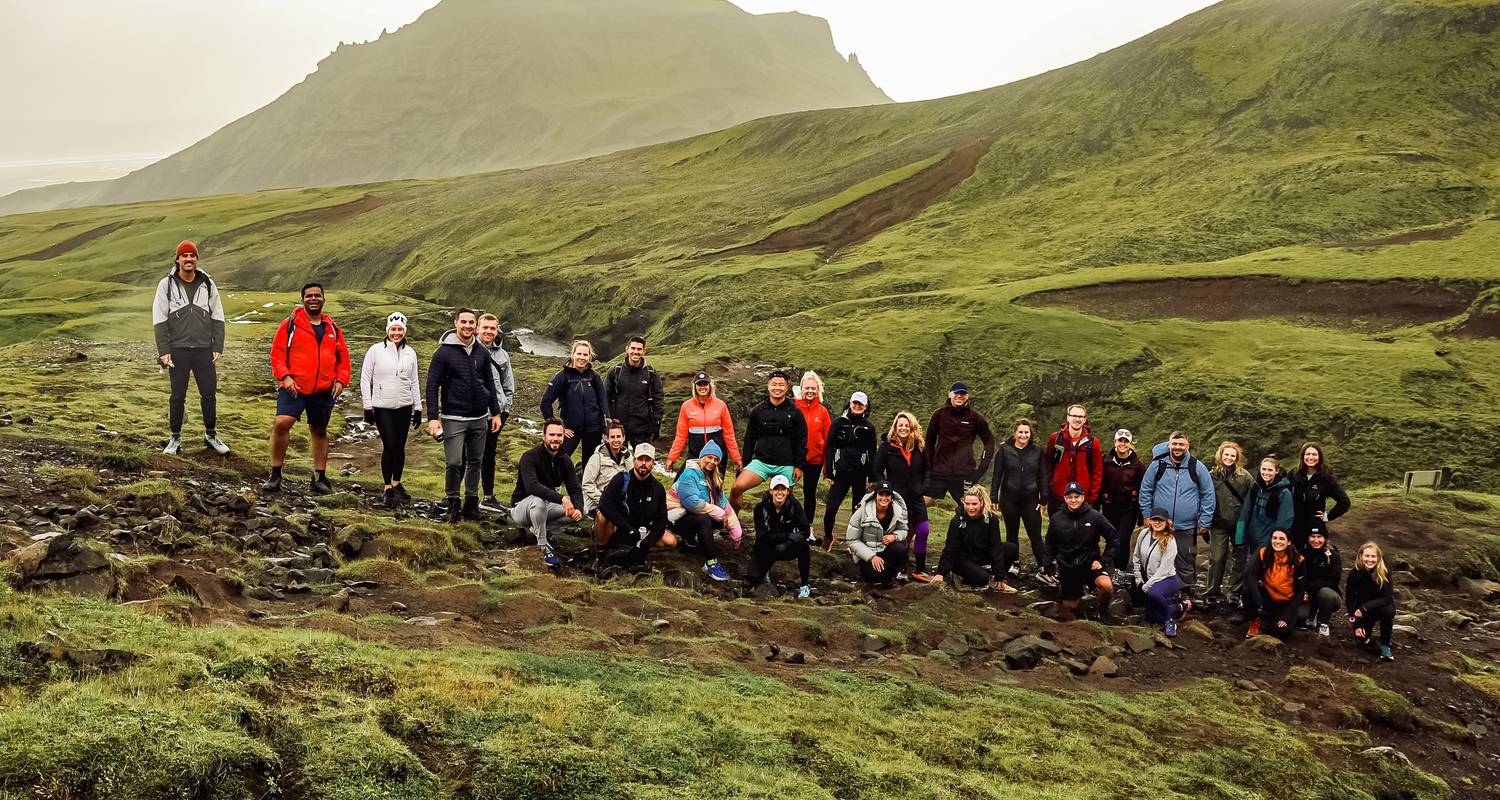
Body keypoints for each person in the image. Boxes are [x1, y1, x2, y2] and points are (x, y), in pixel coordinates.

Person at [266, 283, 351, 495]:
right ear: (302, 299)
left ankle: (319, 478)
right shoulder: (290, 325)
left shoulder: (333, 328)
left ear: (323, 298)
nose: (313, 299)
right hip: (294, 386)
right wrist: (285, 377)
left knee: (319, 429)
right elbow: (277, 354)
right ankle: (275, 474)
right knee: (282, 422)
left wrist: (341, 380)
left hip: (323, 389)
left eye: (317, 295)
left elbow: (343, 358)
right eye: (308, 296)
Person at [425, 308, 503, 522]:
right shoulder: (443, 353)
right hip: (453, 418)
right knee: (454, 461)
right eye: (464, 322)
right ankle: (452, 502)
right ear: (456, 323)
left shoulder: (482, 352)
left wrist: (495, 413)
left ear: (475, 326)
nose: (467, 326)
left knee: (476, 462)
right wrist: (433, 417)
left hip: (479, 418)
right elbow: (432, 386)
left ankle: (471, 504)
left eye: (471, 322)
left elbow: (489, 383)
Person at [152, 240, 228, 456]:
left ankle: (211, 435)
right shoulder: (166, 285)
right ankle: (174, 438)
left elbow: (218, 315)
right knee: (177, 396)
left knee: (209, 394)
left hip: (204, 349)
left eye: (192, 255)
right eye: (184, 255)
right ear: (177, 260)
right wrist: (163, 351)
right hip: (178, 350)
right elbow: (159, 319)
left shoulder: (208, 283)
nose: (188, 259)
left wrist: (218, 345)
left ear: (197, 259)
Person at [1136, 432, 1215, 597]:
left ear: (1188, 445)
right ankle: (1158, 589)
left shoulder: (1196, 466)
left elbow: (1208, 493)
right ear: (1169, 444)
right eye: (1175, 443)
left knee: (1186, 558)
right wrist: (1146, 514)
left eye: (1181, 444)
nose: (1178, 447)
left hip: (1187, 525)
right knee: (1157, 557)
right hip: (1160, 524)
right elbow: (1145, 490)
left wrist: (1205, 521)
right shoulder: (1158, 465)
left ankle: (1186, 591)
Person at [359, 312, 423, 508]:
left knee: (400, 446)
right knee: (390, 445)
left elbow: (414, 380)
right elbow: (365, 378)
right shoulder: (375, 350)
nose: (396, 333)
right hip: (382, 406)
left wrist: (418, 407)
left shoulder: (410, 352)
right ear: (388, 330)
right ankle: (387, 487)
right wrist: (367, 406)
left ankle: (397, 482)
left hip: (404, 406)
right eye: (393, 329)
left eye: (400, 330)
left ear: (405, 331)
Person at [511, 419, 586, 567]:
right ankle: (542, 545)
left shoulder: (564, 460)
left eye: (559, 435)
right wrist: (562, 498)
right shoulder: (529, 457)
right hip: (522, 507)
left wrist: (577, 507)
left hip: (546, 506)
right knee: (538, 502)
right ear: (543, 436)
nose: (556, 438)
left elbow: (575, 488)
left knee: (583, 511)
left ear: (563, 437)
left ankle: (540, 529)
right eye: (552, 434)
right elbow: (532, 487)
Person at [731, 370, 807, 511]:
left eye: (781, 385)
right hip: (761, 462)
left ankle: (787, 527)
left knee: (787, 498)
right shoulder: (757, 411)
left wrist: (799, 466)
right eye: (774, 384)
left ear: (787, 387)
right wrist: (745, 464)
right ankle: (732, 523)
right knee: (736, 487)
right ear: (768, 386)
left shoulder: (795, 412)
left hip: (786, 464)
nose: (777, 388)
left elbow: (801, 440)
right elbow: (749, 440)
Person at [666, 440, 742, 582]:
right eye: (709, 457)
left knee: (716, 519)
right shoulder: (689, 474)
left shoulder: (714, 478)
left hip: (689, 515)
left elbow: (723, 503)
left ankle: (690, 538)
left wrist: (736, 531)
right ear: (702, 457)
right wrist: (720, 514)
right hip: (673, 517)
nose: (712, 462)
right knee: (704, 519)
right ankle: (711, 563)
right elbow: (691, 503)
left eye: (716, 459)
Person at [1231, 456, 1294, 623]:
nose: (1266, 473)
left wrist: (1277, 544)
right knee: (1253, 573)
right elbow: (1245, 512)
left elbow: (1284, 522)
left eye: (1270, 470)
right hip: (1253, 539)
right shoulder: (1255, 487)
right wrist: (1239, 537)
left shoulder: (1284, 493)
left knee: (1250, 572)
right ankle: (1254, 607)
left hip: (1268, 542)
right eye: (1263, 469)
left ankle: (1249, 607)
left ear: (1277, 471)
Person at [596, 443, 675, 572]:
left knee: (671, 541)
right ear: (634, 461)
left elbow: (661, 520)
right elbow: (604, 504)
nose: (643, 463)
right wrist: (626, 527)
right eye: (640, 459)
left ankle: (636, 553)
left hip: (641, 533)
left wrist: (647, 542)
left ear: (653, 464)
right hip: (620, 527)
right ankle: (600, 555)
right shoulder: (621, 479)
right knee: (601, 516)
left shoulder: (658, 488)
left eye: (648, 460)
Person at [871, 411, 931, 580]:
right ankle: (901, 568)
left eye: (907, 425)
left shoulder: (920, 447)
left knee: (923, 530)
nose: (903, 428)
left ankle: (920, 569)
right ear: (895, 428)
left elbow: (927, 470)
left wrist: (923, 487)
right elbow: (876, 470)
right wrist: (887, 488)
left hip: (916, 497)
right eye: (900, 426)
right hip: (896, 498)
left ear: (912, 428)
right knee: (900, 533)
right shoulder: (887, 447)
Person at [1045, 482, 1116, 619]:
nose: (1073, 500)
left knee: (1106, 585)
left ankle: (1102, 609)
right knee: (1070, 608)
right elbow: (1049, 544)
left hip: (1090, 564)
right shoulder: (1056, 519)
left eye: (1076, 496)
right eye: (1069, 497)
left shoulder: (1095, 516)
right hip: (1068, 568)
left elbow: (1114, 539)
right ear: (1065, 499)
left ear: (1083, 497)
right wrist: (1048, 566)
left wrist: (1103, 560)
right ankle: (1080, 602)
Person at [991, 418, 1050, 584]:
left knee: (1035, 535)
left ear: (1030, 434)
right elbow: (997, 475)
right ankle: (1014, 564)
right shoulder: (1004, 450)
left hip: (1031, 499)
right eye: (1020, 432)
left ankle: (1043, 567)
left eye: (1026, 432)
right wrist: (994, 496)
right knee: (1012, 533)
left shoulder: (1037, 451)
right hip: (1009, 499)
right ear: (1014, 433)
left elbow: (1043, 475)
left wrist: (1044, 497)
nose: (1024, 435)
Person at [930, 485, 1017, 593]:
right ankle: (959, 576)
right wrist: (941, 573)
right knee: (982, 578)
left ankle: (998, 581)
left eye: (974, 504)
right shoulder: (957, 522)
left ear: (981, 503)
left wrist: (999, 575)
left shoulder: (991, 520)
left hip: (981, 554)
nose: (970, 507)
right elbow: (950, 548)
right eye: (967, 504)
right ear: (963, 503)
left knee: (1011, 548)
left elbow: (996, 546)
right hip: (962, 558)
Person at [924, 382, 996, 506]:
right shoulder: (939, 415)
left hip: (964, 473)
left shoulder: (975, 418)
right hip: (939, 472)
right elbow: (929, 442)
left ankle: (965, 525)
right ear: (949, 394)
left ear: (967, 396)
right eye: (956, 393)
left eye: (963, 393)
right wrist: (928, 467)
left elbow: (989, 441)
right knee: (921, 506)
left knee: (970, 508)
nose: (959, 396)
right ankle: (913, 526)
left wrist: (981, 468)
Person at [822, 391, 877, 547]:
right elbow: (829, 447)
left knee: (857, 512)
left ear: (866, 407)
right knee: (831, 509)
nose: (857, 406)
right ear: (850, 403)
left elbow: (873, 453)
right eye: (855, 403)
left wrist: (872, 478)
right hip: (840, 474)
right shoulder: (838, 423)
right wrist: (828, 472)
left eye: (861, 404)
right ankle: (828, 536)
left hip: (860, 475)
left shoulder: (869, 428)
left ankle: (854, 542)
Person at [747, 474, 813, 599]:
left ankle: (805, 585)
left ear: (788, 491)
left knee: (803, 544)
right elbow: (762, 536)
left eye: (783, 489)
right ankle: (764, 573)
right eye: (776, 489)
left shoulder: (794, 505)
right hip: (766, 546)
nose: (779, 493)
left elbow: (805, 531)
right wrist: (787, 535)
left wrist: (791, 539)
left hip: (787, 547)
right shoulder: (760, 508)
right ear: (771, 491)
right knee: (753, 578)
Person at [1206, 441, 1253, 609]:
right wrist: (1205, 521)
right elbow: (1205, 498)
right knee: (1217, 558)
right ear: (1220, 455)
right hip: (1218, 523)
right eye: (1226, 454)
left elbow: (1252, 498)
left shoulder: (1245, 477)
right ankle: (1211, 593)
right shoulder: (1211, 476)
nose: (1229, 457)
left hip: (1240, 524)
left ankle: (1234, 593)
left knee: (1239, 559)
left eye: (1232, 455)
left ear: (1237, 457)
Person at [477, 313, 516, 513]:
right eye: (485, 327)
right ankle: (461, 496)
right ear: (477, 328)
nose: (489, 331)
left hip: (495, 415)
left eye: (492, 328)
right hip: (471, 413)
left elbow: (508, 386)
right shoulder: (467, 350)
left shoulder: (502, 356)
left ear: (497, 329)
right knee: (466, 456)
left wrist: (504, 411)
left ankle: (488, 497)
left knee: (489, 454)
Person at [667, 372, 742, 476]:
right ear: (695, 387)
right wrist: (672, 458)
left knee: (714, 489)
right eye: (699, 384)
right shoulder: (686, 406)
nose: (702, 387)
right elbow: (680, 436)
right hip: (695, 455)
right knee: (679, 485)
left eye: (705, 384)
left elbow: (729, 435)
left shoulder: (721, 405)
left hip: (716, 456)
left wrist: (736, 458)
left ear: (710, 386)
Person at [1132, 508, 1190, 637]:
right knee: (1153, 616)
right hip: (1149, 578)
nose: (1157, 523)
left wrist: (1146, 586)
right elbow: (1136, 556)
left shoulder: (1170, 541)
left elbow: (1163, 570)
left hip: (1167, 579)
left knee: (1154, 594)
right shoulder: (1144, 534)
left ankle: (1171, 622)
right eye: (1154, 519)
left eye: (1161, 520)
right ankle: (1180, 605)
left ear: (1166, 522)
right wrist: (1138, 577)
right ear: (1150, 520)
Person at [1099, 429, 1146, 583]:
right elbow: (1098, 481)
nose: (1123, 444)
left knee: (1123, 539)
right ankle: (1109, 568)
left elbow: (1142, 488)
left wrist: (1141, 514)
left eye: (1126, 441)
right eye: (1120, 441)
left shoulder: (1138, 465)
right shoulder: (1104, 460)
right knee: (1111, 538)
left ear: (1130, 444)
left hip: (1129, 508)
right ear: (1115, 442)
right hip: (1109, 506)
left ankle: (1122, 570)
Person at [1288, 442, 1351, 554]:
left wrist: (1328, 516)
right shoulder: (1293, 474)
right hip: (1295, 526)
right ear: (1302, 456)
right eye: (1307, 454)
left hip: (1315, 528)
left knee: (1314, 558)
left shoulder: (1326, 478)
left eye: (1314, 454)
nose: (1310, 457)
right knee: (1296, 558)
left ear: (1319, 457)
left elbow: (1344, 501)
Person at [1244, 529, 1305, 639]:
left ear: (1289, 542)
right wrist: (1258, 601)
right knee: (1247, 590)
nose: (1277, 541)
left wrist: (1287, 616)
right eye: (1274, 538)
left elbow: (1300, 592)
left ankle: (1271, 619)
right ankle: (1254, 621)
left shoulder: (1298, 561)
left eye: (1282, 539)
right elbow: (1252, 575)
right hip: (1268, 595)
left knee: (1282, 631)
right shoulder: (1264, 553)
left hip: (1286, 602)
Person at [846, 481, 909, 587]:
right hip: (867, 552)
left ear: (891, 497)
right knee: (874, 578)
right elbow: (852, 540)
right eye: (881, 494)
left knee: (900, 549)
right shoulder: (862, 512)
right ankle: (875, 574)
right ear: (875, 495)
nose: (884, 498)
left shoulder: (897, 511)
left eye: (887, 495)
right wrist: (871, 557)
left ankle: (890, 574)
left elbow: (904, 530)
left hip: (884, 549)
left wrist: (895, 536)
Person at [605, 336, 663, 448]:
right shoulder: (616, 372)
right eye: (633, 348)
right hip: (619, 428)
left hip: (642, 429)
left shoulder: (650, 373)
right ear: (627, 349)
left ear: (643, 351)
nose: (636, 352)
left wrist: (656, 423)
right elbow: (605, 397)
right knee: (618, 462)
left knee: (642, 462)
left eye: (639, 349)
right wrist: (609, 421)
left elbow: (658, 399)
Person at [1045, 404, 1103, 514]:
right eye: (1074, 416)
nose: (1077, 419)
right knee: (1057, 529)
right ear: (1068, 417)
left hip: (1082, 498)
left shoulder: (1093, 443)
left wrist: (1092, 498)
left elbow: (1097, 472)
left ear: (1085, 419)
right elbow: (1048, 466)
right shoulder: (1055, 439)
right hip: (1058, 497)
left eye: (1081, 417)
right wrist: (1049, 490)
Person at [583, 422, 632, 550]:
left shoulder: (627, 457)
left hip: (620, 501)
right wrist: (604, 500)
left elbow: (634, 477)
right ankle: (600, 547)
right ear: (607, 438)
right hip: (599, 501)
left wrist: (628, 458)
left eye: (618, 437)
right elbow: (587, 484)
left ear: (623, 438)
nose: (616, 440)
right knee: (605, 516)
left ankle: (612, 546)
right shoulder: (597, 457)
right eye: (612, 437)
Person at [1346, 541, 1396, 661]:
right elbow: (1350, 599)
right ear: (1361, 556)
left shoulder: (1383, 572)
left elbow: (1388, 598)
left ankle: (1385, 645)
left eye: (1373, 556)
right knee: (1362, 639)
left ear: (1378, 558)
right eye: (1367, 556)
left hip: (1378, 608)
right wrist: (1356, 623)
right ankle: (1371, 641)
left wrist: (1365, 607)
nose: (1370, 560)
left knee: (1387, 611)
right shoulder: (1354, 573)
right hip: (1363, 613)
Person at [794, 371, 832, 521]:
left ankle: (807, 527)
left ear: (818, 390)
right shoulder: (793, 407)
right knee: (785, 490)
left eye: (813, 388)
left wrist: (827, 467)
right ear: (801, 388)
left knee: (809, 494)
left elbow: (829, 440)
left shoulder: (822, 412)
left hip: (814, 460)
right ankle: (787, 523)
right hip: (795, 459)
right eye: (807, 388)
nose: (810, 391)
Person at [1302, 530, 1342, 637]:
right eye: (1312, 536)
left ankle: (1323, 622)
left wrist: (1309, 587)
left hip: (1329, 594)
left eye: (1319, 536)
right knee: (1300, 617)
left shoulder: (1333, 555)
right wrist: (1302, 591)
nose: (1316, 540)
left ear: (1325, 539)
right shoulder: (1302, 554)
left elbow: (1333, 583)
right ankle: (1311, 614)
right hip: (1308, 595)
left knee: (1326, 593)